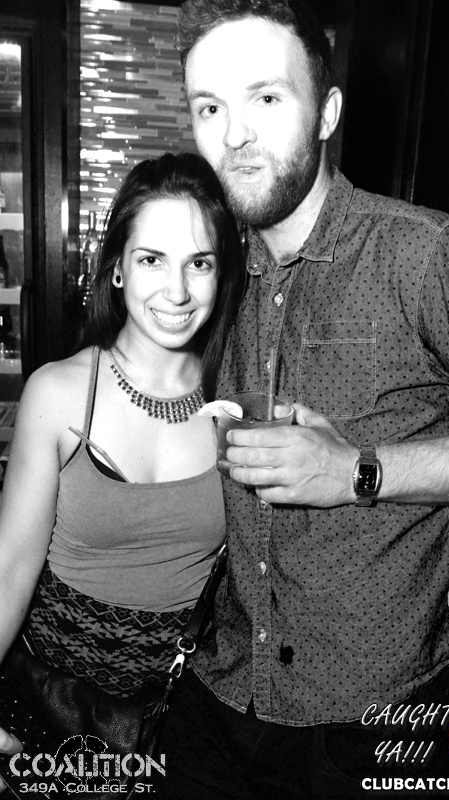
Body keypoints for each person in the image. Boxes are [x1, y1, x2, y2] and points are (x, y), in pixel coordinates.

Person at [148, 1, 449, 798]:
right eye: (209, 108)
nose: (234, 133)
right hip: (221, 695)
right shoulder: (215, 279)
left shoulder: (420, 256)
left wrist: (356, 470)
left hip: (379, 713)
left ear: (325, 113)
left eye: (265, 98)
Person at [0, 151, 244, 790]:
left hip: (176, 725)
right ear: (116, 268)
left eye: (199, 263)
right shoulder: (58, 393)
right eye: (152, 259)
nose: (177, 291)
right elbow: (9, 569)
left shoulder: (240, 408)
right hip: (49, 713)